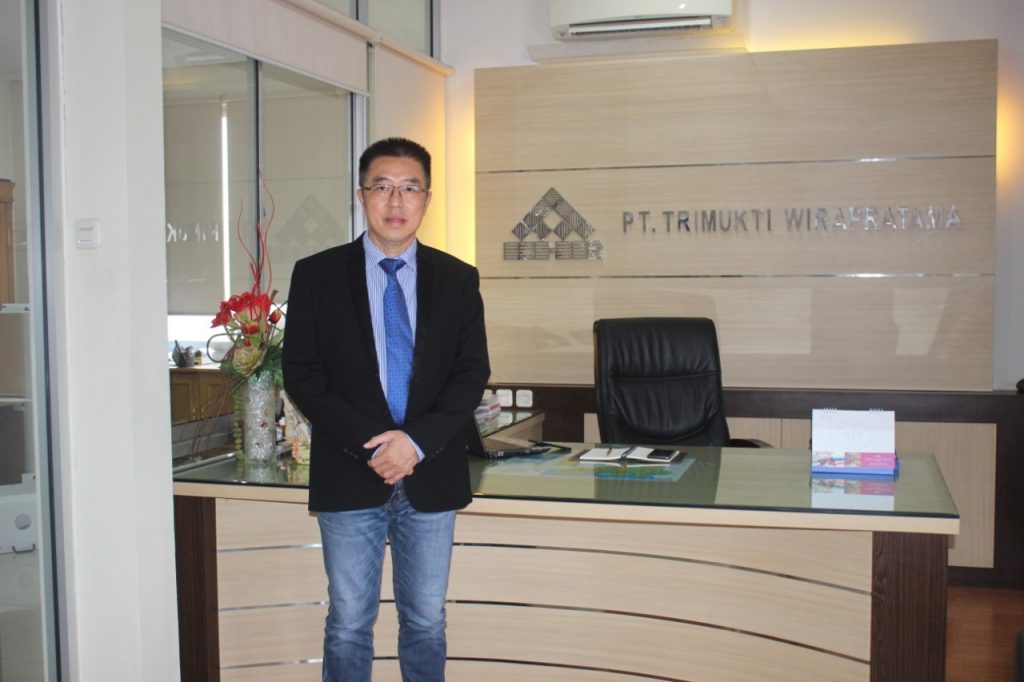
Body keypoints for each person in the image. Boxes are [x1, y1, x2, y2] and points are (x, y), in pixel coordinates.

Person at [282, 137, 490, 681]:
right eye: (382, 187)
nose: (395, 201)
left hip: (431, 471)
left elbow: (470, 375)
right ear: (361, 195)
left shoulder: (457, 279)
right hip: (350, 470)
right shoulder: (317, 275)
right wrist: (376, 446)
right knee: (349, 622)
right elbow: (303, 374)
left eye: (410, 188)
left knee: (426, 621)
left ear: (427, 199)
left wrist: (414, 443)